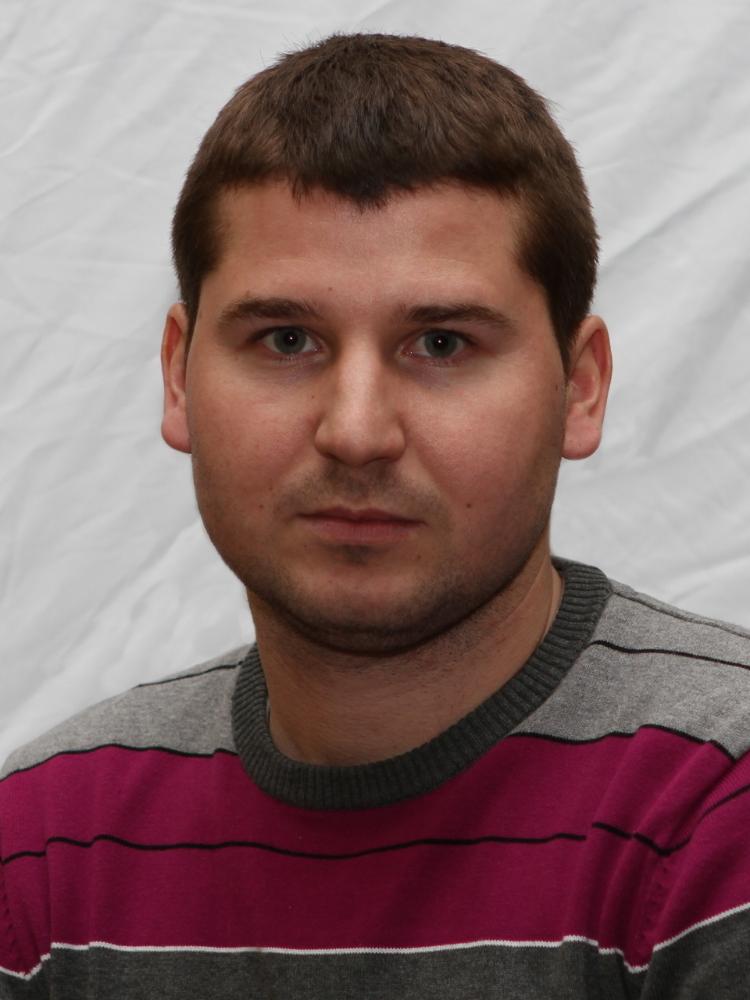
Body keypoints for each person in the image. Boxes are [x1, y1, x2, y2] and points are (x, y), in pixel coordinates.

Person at [1, 31, 749, 1000]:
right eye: (287, 339)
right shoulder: (43, 848)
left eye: (441, 343)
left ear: (580, 387)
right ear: (178, 376)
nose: (356, 432)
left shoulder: (718, 808)